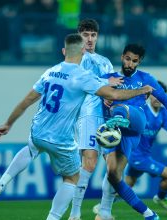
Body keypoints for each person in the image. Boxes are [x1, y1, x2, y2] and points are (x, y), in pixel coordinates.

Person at [0, 33, 153, 220]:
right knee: (72, 178)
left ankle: (1, 183)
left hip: (38, 130)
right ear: (82, 53)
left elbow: (26, 101)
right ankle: (56, 217)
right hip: (61, 139)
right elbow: (115, 96)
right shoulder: (82, 76)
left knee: (30, 149)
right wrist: (142, 90)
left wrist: (8, 123)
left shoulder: (50, 72)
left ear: (64, 51)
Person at [95, 43, 167, 220]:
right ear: (122, 57)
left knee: (120, 107)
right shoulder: (107, 79)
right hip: (114, 135)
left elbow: (166, 100)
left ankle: (119, 115)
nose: (130, 64)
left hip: (134, 128)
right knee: (113, 175)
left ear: (140, 62)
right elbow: (87, 93)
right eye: (128, 59)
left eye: (135, 61)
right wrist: (102, 97)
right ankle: (145, 214)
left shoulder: (146, 79)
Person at [69, 18, 119, 220]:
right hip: (88, 114)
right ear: (79, 36)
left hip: (107, 117)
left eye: (93, 35)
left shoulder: (105, 61)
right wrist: (107, 82)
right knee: (89, 164)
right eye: (85, 35)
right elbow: (80, 83)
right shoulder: (76, 58)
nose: (89, 39)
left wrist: (111, 95)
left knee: (114, 168)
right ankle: (74, 214)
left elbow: (112, 87)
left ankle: (105, 212)